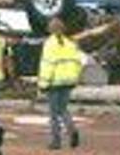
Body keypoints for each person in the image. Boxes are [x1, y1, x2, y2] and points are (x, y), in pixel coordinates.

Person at [38, 18, 84, 150]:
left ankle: (56, 141)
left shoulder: (49, 44)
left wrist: (43, 83)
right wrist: (75, 78)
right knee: (62, 109)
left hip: (54, 82)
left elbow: (48, 65)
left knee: (53, 113)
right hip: (68, 81)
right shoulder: (70, 43)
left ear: (49, 29)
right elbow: (78, 62)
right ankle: (72, 130)